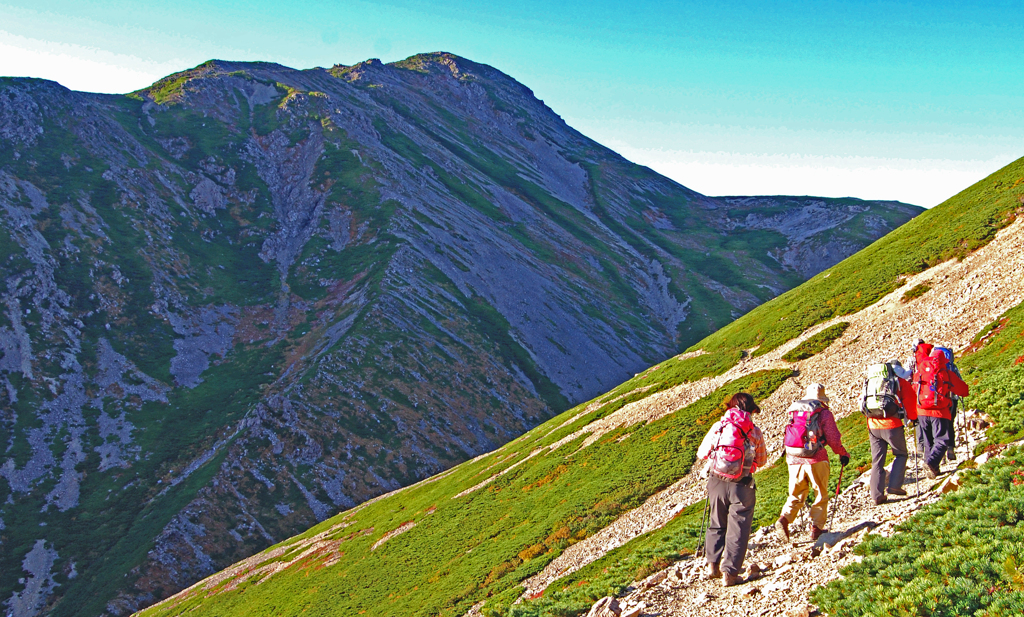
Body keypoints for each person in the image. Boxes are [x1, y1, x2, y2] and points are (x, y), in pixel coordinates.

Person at [695, 392, 768, 587]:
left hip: (717, 481)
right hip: (742, 484)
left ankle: (712, 565)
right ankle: (730, 573)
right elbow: (761, 461)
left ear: (730, 407)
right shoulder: (754, 431)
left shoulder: (719, 426)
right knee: (739, 527)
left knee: (716, 521)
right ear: (751, 410)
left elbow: (701, 453)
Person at [776, 384, 849, 542]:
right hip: (816, 458)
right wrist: (843, 453)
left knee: (796, 493)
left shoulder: (794, 411)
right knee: (820, 493)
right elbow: (833, 438)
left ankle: (784, 519)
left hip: (794, 458)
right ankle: (816, 528)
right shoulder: (824, 413)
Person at [863, 360, 917, 505]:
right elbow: (910, 401)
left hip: (873, 425)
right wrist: (913, 418)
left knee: (877, 461)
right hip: (892, 424)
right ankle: (894, 486)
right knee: (901, 454)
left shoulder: (870, 383)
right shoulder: (898, 382)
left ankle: (876, 495)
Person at [913, 347, 970, 478]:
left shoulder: (920, 371)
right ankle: (931, 463)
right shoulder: (945, 371)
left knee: (928, 440)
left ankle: (934, 470)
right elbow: (962, 389)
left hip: (921, 411)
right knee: (942, 440)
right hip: (939, 412)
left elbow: (914, 388)